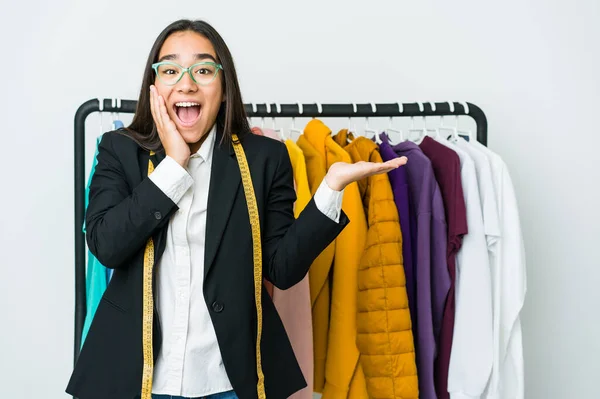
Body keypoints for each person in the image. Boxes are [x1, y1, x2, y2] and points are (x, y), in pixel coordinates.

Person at [66, 19, 407, 399]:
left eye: (203, 69)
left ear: (224, 89)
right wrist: (174, 166)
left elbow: (282, 268)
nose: (187, 82)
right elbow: (107, 244)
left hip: (230, 381)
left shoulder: (266, 158)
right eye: (171, 69)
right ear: (155, 86)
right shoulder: (119, 149)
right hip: (135, 379)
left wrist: (331, 188)